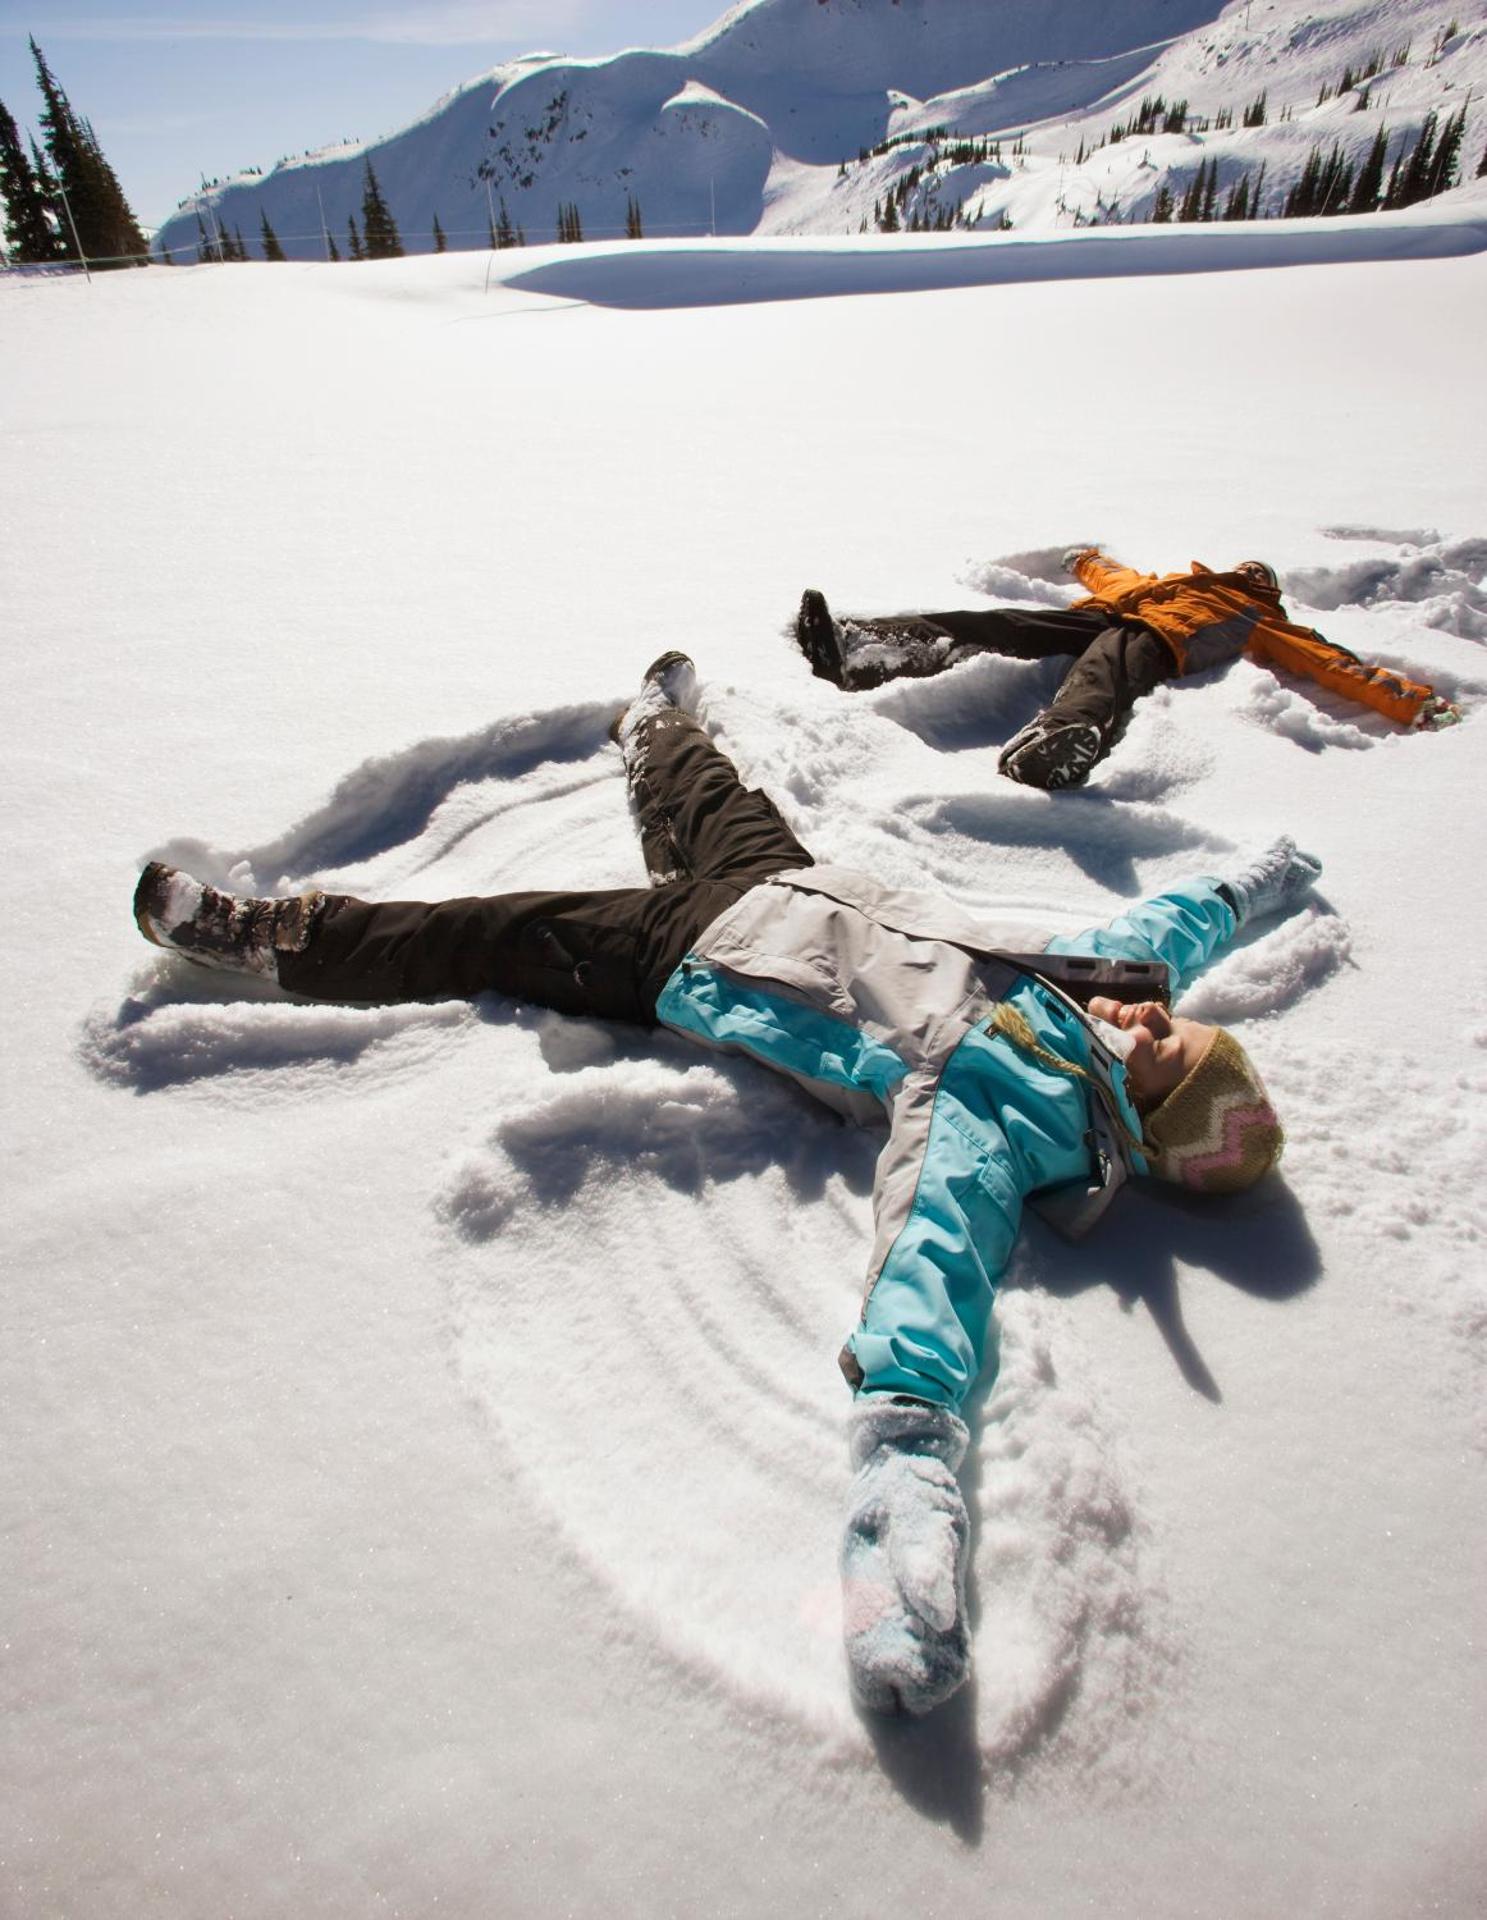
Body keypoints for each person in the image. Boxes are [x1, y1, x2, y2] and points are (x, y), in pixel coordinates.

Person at [132, 653, 1323, 1716]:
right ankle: (653, 728)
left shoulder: (989, 1104)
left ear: (1147, 1111)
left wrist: (903, 1473)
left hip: (697, 959)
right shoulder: (1089, 1000)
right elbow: (1167, 933)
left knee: (478, 929)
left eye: (1165, 1043)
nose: (1149, 1015)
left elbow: (932, 1257)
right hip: (785, 890)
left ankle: (268, 936)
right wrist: (1254, 885)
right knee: (712, 797)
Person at [794, 549, 1462, 789]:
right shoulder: (1174, 581)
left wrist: (1411, 701)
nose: (1252, 577)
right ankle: (868, 649)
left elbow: (1335, 666)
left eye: (1258, 577)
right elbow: (1117, 579)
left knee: (1105, 671)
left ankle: (1063, 740)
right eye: (1250, 572)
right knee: (1003, 623)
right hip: (1108, 614)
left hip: (1160, 641)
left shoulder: (1265, 619)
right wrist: (1084, 561)